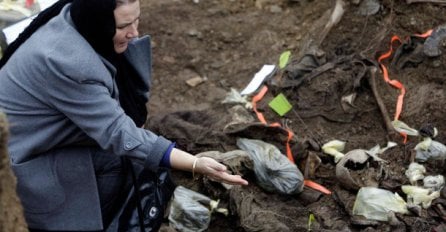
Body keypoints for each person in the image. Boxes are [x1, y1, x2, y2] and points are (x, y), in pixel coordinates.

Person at [0, 0, 248, 231]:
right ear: (99, 22)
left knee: (134, 160)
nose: (135, 33)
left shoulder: (79, 23)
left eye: (136, 21)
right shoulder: (65, 60)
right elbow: (118, 133)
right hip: (26, 162)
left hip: (50, 137)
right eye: (123, 26)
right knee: (125, 162)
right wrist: (195, 163)